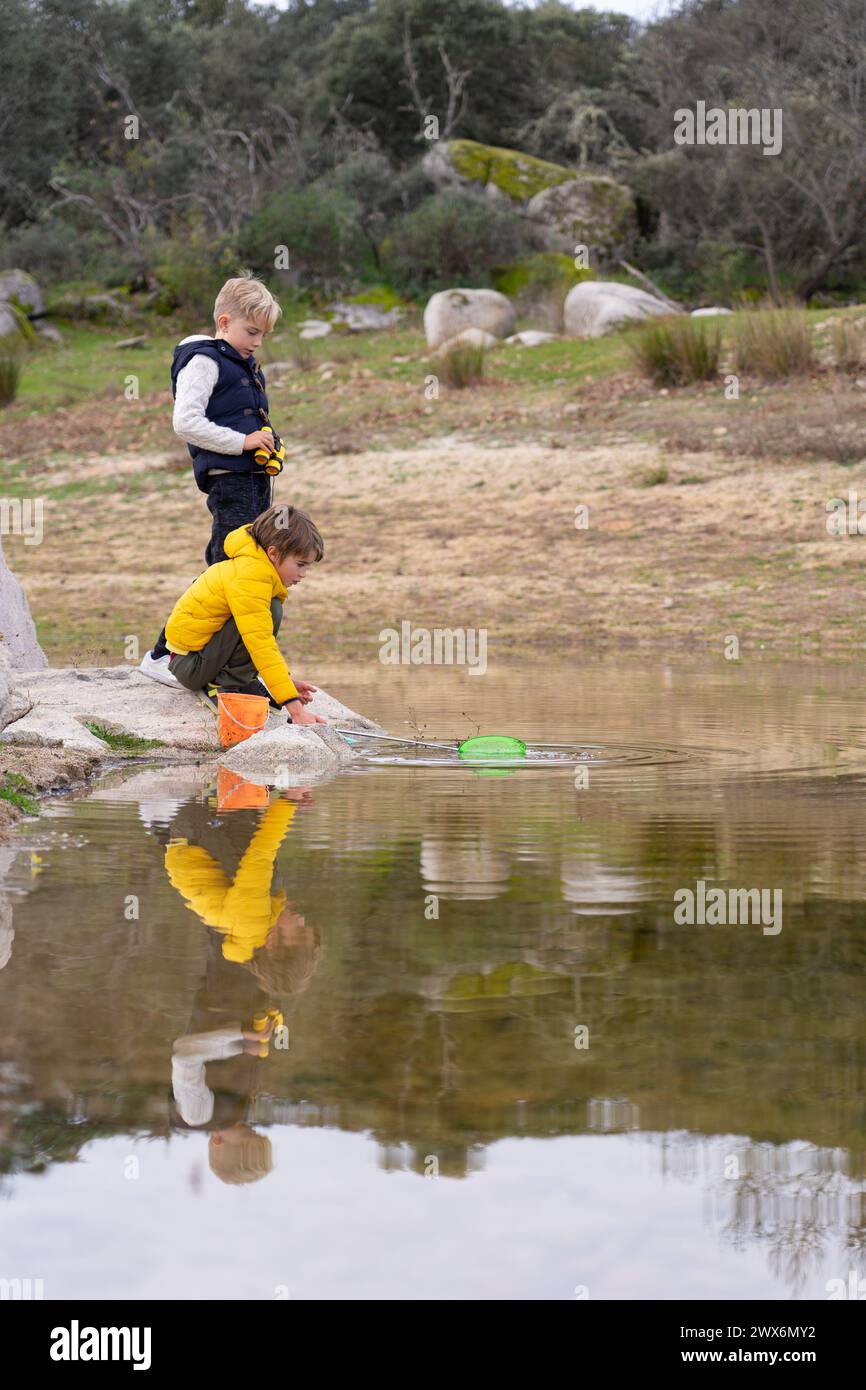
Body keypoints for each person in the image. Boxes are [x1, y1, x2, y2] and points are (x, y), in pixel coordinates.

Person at [139, 273, 284, 688]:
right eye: (251, 331)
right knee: (224, 571)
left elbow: (245, 421)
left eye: (263, 335)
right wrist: (242, 442)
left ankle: (226, 667)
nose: (257, 341)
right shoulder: (203, 361)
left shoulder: (244, 364)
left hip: (254, 482)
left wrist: (267, 447)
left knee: (246, 575)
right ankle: (162, 655)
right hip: (228, 484)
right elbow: (185, 422)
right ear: (224, 321)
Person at [163, 503, 327, 723]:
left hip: (199, 658)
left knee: (269, 611)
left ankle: (239, 680)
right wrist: (296, 711)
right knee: (269, 612)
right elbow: (260, 643)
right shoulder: (251, 576)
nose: (303, 574)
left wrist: (285, 684)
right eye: (300, 565)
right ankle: (221, 685)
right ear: (273, 553)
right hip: (191, 665)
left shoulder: (255, 567)